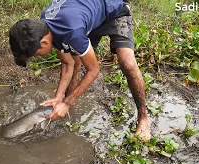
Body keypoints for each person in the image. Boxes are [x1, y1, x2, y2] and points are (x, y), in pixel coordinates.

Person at [8, 0, 151, 140]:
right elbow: (67, 63)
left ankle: (143, 118)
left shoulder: (72, 31)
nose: (36, 56)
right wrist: (59, 96)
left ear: (44, 43)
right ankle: (67, 112)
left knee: (127, 63)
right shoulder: (44, 26)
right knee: (75, 61)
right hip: (88, 15)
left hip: (114, 10)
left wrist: (67, 103)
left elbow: (94, 70)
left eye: (35, 54)